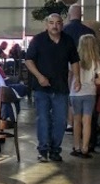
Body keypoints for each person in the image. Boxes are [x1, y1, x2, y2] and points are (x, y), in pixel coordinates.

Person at [24, 13, 80, 163]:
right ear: (46, 24)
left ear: (62, 24)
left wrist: (77, 79)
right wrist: (39, 76)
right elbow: (28, 60)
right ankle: (43, 150)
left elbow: (75, 61)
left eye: (58, 23)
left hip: (61, 87)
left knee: (61, 121)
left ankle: (55, 150)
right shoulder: (38, 40)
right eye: (51, 23)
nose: (55, 26)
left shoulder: (68, 40)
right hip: (42, 88)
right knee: (43, 119)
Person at [69, 34, 100, 158]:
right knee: (87, 121)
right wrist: (92, 81)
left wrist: (70, 88)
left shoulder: (74, 60)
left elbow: (70, 76)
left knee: (76, 121)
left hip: (75, 93)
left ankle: (76, 146)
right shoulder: (97, 61)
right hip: (90, 93)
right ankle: (85, 147)